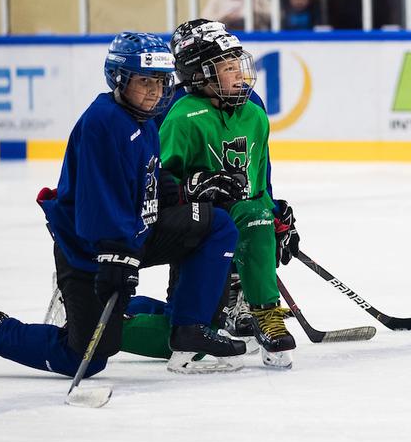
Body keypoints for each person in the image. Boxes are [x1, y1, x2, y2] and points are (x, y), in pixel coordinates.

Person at [0, 32, 245, 380]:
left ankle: (190, 328)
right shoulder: (103, 122)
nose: (155, 92)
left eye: (161, 82)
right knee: (87, 357)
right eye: (144, 81)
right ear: (119, 79)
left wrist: (187, 192)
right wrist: (115, 254)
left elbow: (149, 178)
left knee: (217, 225)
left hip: (133, 236)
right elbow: (96, 200)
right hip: (90, 248)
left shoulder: (142, 122)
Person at [121, 21, 300, 369]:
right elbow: (154, 183)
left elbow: (257, 181)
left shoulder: (252, 110)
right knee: (191, 331)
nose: (239, 75)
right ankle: (96, 316)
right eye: (227, 67)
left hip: (224, 226)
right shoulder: (177, 113)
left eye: (237, 64)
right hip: (190, 231)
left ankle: (260, 309)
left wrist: (273, 215)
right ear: (199, 74)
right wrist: (190, 189)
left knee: (254, 216)